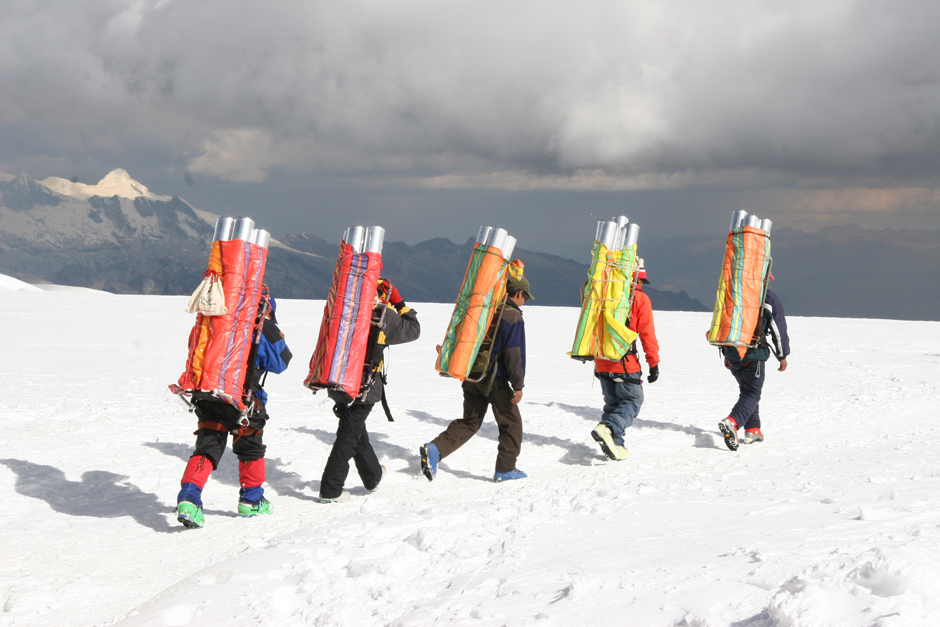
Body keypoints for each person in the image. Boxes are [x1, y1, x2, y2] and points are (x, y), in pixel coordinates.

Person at [177, 289, 292, 529]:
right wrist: (270, 327)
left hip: (209, 395)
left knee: (207, 448)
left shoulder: (213, 319)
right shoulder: (261, 325)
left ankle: (189, 499)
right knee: (250, 448)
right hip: (245, 401)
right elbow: (281, 362)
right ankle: (251, 500)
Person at [420, 274, 532, 483]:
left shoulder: (486, 309)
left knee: (471, 421)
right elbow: (514, 353)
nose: (524, 301)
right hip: (494, 381)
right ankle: (505, 469)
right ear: (518, 294)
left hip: (471, 375)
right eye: (525, 297)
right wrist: (518, 385)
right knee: (511, 424)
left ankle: (435, 449)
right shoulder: (512, 316)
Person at [318, 279, 420, 503]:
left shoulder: (341, 310)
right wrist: (400, 303)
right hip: (364, 388)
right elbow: (413, 330)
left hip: (338, 383)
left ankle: (373, 476)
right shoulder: (383, 314)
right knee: (348, 435)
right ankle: (331, 488)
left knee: (354, 430)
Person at [590, 259, 660, 461]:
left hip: (602, 360)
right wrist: (653, 363)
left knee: (613, 405)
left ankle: (616, 444)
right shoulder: (639, 299)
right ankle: (608, 428)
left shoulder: (605, 295)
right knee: (632, 400)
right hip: (625, 362)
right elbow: (647, 335)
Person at [718, 286, 790, 450]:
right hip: (753, 354)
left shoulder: (733, 291)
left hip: (732, 352)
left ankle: (752, 429)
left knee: (747, 391)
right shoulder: (768, 298)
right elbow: (778, 329)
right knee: (752, 393)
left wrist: (726, 352)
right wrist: (782, 355)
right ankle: (733, 422)